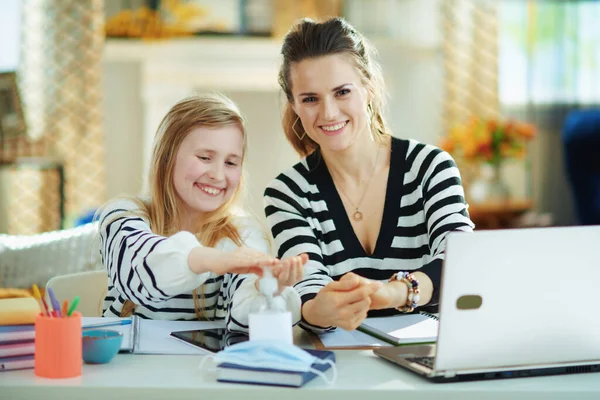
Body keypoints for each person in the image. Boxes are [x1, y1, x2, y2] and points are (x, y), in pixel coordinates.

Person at [264, 18, 474, 333]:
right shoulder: (287, 193)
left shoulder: (430, 167)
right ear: (293, 104)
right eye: (310, 98)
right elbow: (308, 290)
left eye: (342, 92)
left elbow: (463, 262)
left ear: (370, 88)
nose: (329, 113)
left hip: (430, 357)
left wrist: (393, 292)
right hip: (339, 365)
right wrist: (317, 310)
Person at [99, 93, 307, 331]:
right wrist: (216, 260)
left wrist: (268, 287)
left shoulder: (243, 233)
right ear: (167, 158)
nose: (218, 175)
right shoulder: (124, 214)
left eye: (231, 163)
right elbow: (140, 271)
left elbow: (243, 317)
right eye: (205, 157)